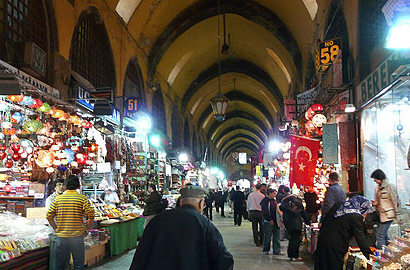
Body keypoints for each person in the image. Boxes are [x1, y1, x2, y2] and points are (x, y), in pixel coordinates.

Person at [129, 186, 234, 270]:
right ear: (201, 203)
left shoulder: (157, 220)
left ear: (181, 202)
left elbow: (141, 256)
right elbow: (223, 260)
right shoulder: (204, 224)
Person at [46, 175, 94, 270]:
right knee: (78, 265)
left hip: (61, 237)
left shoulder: (57, 199)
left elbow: (49, 216)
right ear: (78, 186)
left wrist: (56, 228)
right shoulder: (82, 199)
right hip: (77, 237)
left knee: (60, 264)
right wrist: (87, 229)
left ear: (65, 186)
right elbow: (91, 216)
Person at [314, 196, 373, 270]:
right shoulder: (356, 216)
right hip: (335, 245)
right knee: (334, 266)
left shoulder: (339, 205)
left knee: (322, 265)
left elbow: (326, 219)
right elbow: (360, 237)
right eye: (366, 213)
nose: (365, 215)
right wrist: (369, 255)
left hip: (323, 239)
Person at [371, 169, 398, 249]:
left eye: (375, 178)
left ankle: (381, 256)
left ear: (380, 177)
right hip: (380, 214)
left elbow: (394, 200)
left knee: (380, 236)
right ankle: (390, 251)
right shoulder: (377, 188)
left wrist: (398, 215)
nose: (374, 180)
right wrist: (374, 204)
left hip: (387, 215)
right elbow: (379, 201)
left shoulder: (389, 186)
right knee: (383, 236)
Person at [280, 194, 310, 261]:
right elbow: (304, 214)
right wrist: (308, 222)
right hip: (296, 225)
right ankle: (294, 255)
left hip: (288, 224)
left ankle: (291, 254)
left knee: (292, 239)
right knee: (296, 240)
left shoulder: (285, 206)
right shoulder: (299, 207)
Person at [261, 189, 281, 255]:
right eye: (274, 193)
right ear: (269, 193)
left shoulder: (274, 201)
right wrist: (269, 219)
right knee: (268, 236)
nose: (275, 195)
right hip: (268, 221)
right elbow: (265, 211)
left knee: (277, 236)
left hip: (276, 221)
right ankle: (266, 249)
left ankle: (277, 250)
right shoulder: (265, 201)